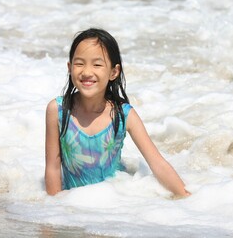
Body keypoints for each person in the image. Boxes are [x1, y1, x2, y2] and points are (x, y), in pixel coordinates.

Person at [45, 28, 190, 198]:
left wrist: (185, 196)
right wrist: (54, 212)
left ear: (114, 72)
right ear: (69, 67)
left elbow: (157, 163)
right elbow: (53, 168)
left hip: (114, 204)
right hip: (75, 203)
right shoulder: (58, 110)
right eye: (79, 63)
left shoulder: (124, 115)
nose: (86, 72)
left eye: (97, 64)